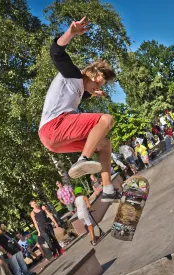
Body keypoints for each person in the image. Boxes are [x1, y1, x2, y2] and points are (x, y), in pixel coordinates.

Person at [37, 16, 120, 203]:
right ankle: (83, 159)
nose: (98, 87)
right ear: (90, 73)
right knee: (106, 120)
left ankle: (107, 189)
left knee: (104, 144)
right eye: (98, 83)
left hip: (53, 141)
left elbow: (81, 94)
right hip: (54, 126)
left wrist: (92, 93)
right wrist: (70, 33)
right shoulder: (72, 75)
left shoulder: (80, 90)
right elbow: (56, 53)